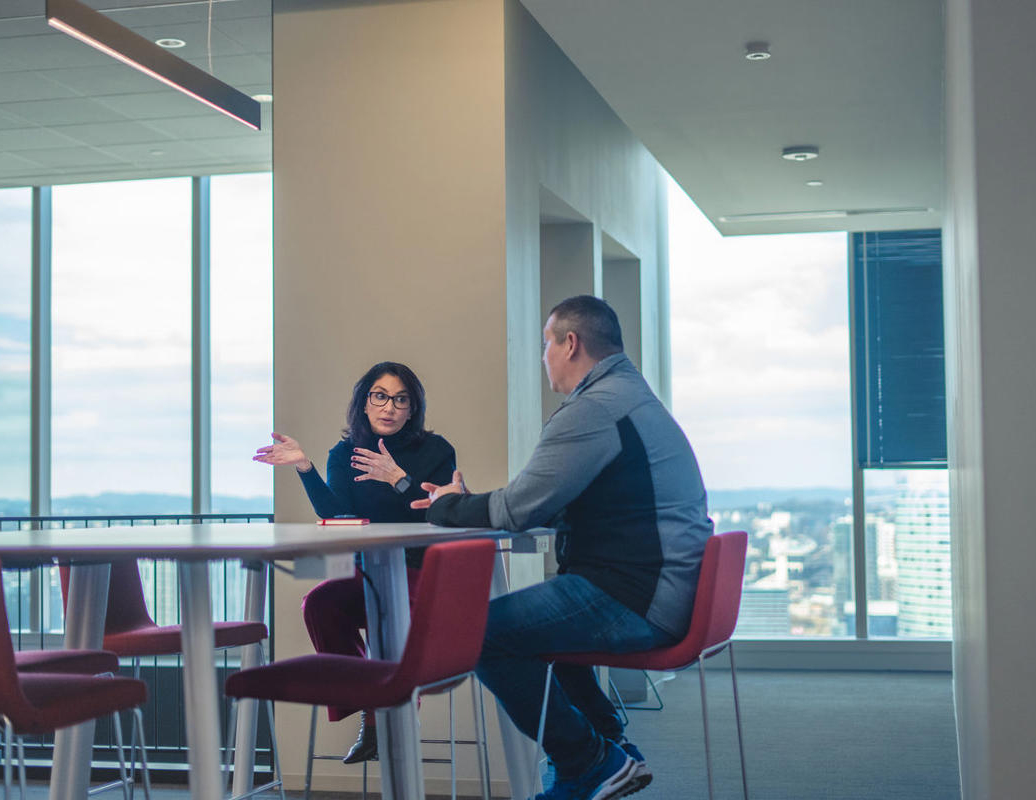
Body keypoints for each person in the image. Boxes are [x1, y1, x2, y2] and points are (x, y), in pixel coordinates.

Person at [412, 296, 712, 800]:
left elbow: (518, 509)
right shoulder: (628, 397)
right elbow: (546, 504)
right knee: (536, 628)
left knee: (479, 634)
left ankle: (590, 761)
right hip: (658, 587)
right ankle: (611, 747)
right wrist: (484, 504)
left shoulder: (595, 408)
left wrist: (447, 505)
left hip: (638, 597)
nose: (543, 356)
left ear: (569, 344)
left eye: (545, 344)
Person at [254, 361, 455, 763]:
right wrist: (305, 467)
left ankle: (384, 715)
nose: (389, 407)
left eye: (401, 399)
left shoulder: (436, 451)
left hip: (423, 574)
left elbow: (440, 513)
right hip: (370, 574)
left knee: (389, 610)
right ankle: (373, 703)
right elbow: (339, 517)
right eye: (380, 396)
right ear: (365, 403)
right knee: (321, 604)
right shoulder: (344, 454)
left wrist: (399, 480)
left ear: (412, 409)